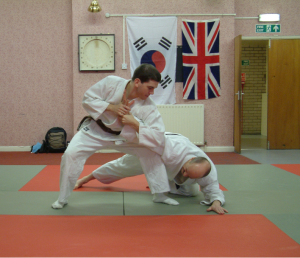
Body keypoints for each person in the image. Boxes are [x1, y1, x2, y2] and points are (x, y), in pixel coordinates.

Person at [52, 64, 178, 209]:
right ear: (137, 82)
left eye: (154, 88)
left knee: (152, 151)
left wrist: (135, 123)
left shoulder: (148, 106)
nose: (152, 92)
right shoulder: (111, 83)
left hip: (124, 137)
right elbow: (87, 99)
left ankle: (160, 195)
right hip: (95, 131)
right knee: (70, 154)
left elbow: (157, 135)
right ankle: (62, 198)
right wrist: (112, 107)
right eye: (150, 88)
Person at [75, 133, 228, 215]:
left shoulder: (207, 170)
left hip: (169, 166)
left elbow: (213, 187)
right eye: (186, 171)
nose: (186, 175)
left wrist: (216, 202)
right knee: (121, 166)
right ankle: (86, 179)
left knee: (193, 191)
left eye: (192, 176)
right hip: (152, 152)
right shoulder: (173, 149)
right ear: (191, 159)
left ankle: (165, 183)